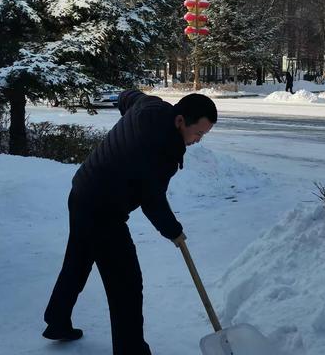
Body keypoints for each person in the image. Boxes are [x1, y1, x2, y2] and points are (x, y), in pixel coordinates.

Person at [42, 90, 217, 354]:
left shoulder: (150, 106)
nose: (197, 140)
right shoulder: (160, 153)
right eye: (198, 134)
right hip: (103, 209)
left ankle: (57, 321)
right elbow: (152, 200)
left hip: (81, 191)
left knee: (78, 261)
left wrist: (127, 128)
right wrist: (174, 231)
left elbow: (127, 96)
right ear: (180, 121)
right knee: (126, 283)